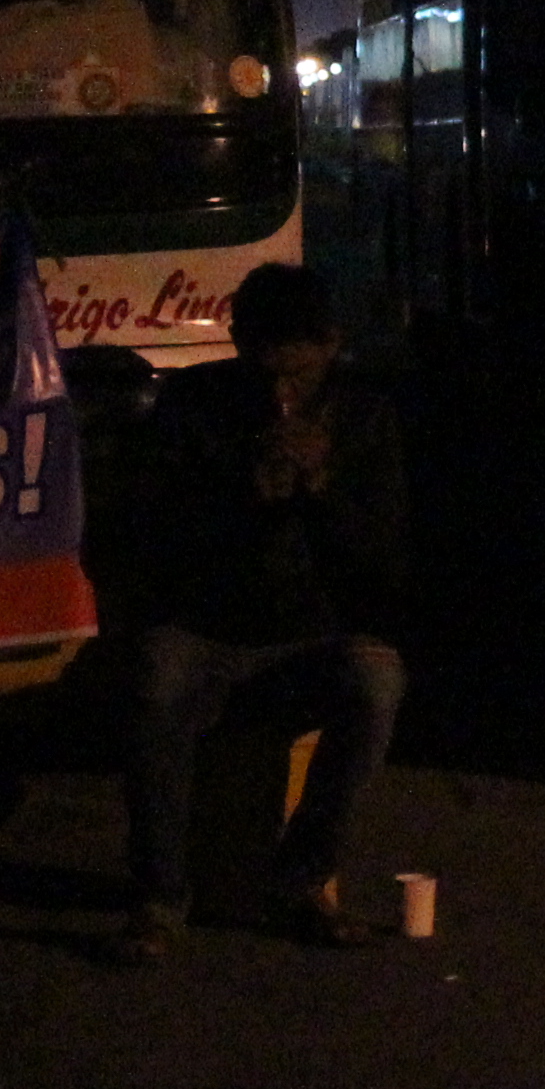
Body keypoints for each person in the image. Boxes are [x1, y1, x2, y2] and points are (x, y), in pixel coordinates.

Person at [111, 262, 407, 961]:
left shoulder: (365, 417)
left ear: (331, 346)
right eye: (263, 372)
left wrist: (323, 490)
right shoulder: (193, 403)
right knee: (155, 677)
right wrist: (243, 494)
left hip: (307, 638)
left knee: (379, 680)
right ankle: (159, 898)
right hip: (207, 632)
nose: (278, 394)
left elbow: (386, 568)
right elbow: (153, 541)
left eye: (296, 376)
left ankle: (301, 881)